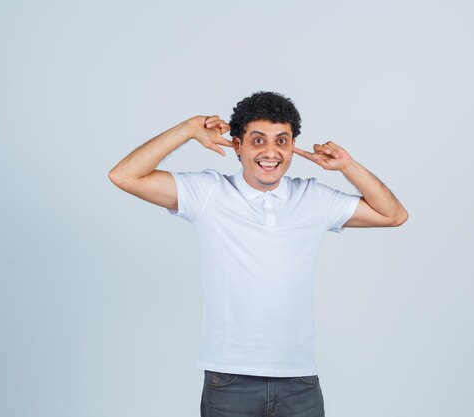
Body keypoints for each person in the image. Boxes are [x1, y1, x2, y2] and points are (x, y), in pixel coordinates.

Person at [108, 91, 408, 417]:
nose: (270, 151)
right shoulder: (209, 193)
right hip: (230, 379)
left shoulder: (313, 198)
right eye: (258, 140)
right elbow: (124, 175)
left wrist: (348, 167)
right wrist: (187, 129)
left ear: (293, 146)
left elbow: (393, 214)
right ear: (238, 145)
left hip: (299, 380)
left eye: (282, 141)